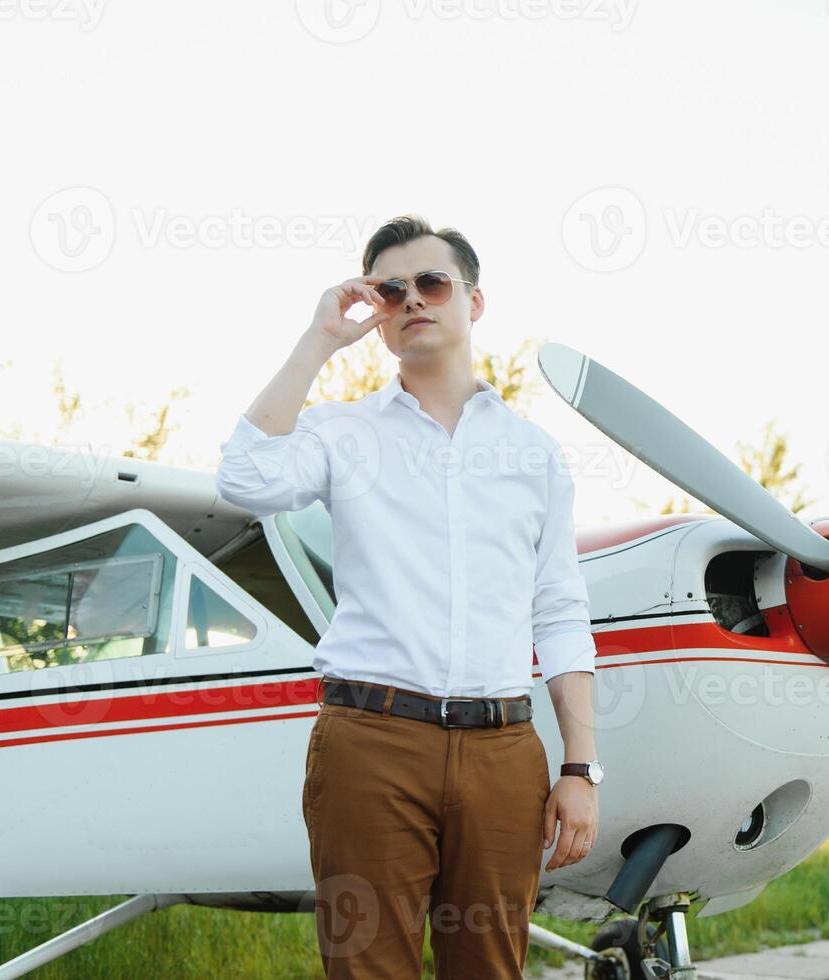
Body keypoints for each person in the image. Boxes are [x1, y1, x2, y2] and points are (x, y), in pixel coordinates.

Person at [215, 215, 602, 978]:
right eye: (392, 290)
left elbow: (558, 611)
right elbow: (244, 477)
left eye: (432, 283)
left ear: (474, 302)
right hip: (371, 744)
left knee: (491, 969)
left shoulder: (533, 455)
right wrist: (320, 339)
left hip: (502, 752)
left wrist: (581, 769)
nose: (413, 300)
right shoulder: (341, 433)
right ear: (378, 313)